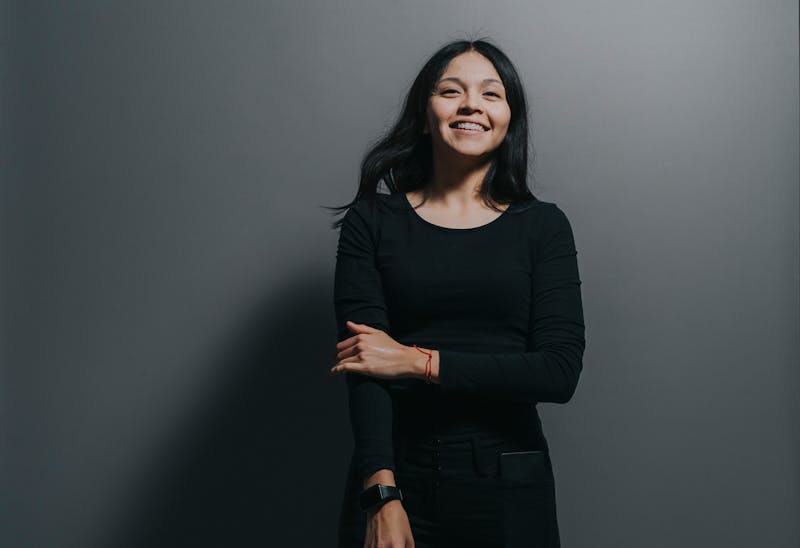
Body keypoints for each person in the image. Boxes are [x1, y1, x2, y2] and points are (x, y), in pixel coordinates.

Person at [327, 37, 586, 548]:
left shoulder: (544, 227)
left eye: (491, 94)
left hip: (511, 483)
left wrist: (417, 362)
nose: (471, 104)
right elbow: (365, 369)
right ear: (425, 115)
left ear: (509, 118)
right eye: (452, 90)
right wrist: (381, 493)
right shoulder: (372, 221)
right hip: (398, 478)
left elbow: (558, 371)